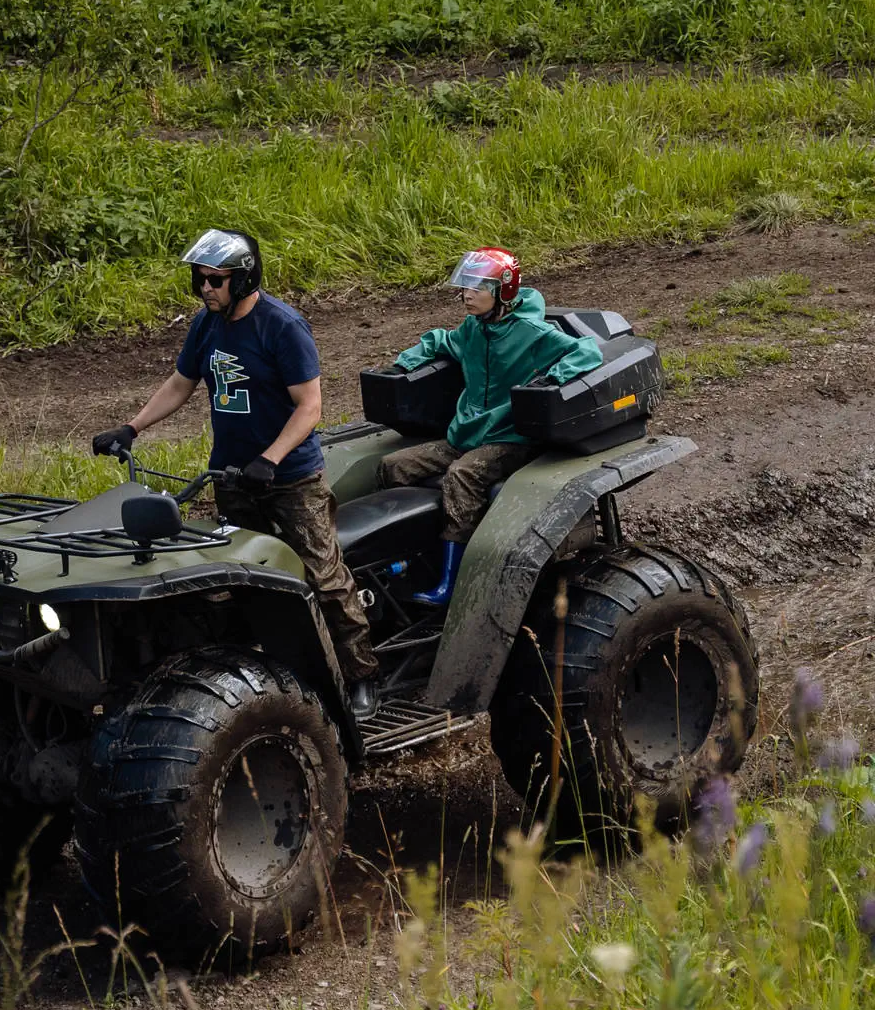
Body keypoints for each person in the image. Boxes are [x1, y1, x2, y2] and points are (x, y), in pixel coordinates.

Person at [91, 228, 381, 719]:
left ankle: (361, 677)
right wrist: (130, 427)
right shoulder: (208, 324)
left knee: (323, 577)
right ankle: (268, 677)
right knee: (243, 581)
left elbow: (309, 408)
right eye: (198, 279)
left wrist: (270, 459)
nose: (205, 288)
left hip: (289, 479)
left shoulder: (283, 327)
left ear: (244, 280)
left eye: (215, 280)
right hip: (231, 477)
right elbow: (182, 382)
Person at [379, 247, 604, 606]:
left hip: (510, 437)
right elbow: (443, 341)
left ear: (504, 290)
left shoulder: (531, 331)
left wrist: (552, 378)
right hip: (466, 433)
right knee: (394, 465)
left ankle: (451, 583)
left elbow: (587, 351)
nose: (466, 295)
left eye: (476, 288)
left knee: (462, 475)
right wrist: (406, 360)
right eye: (465, 287)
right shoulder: (473, 328)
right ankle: (416, 560)